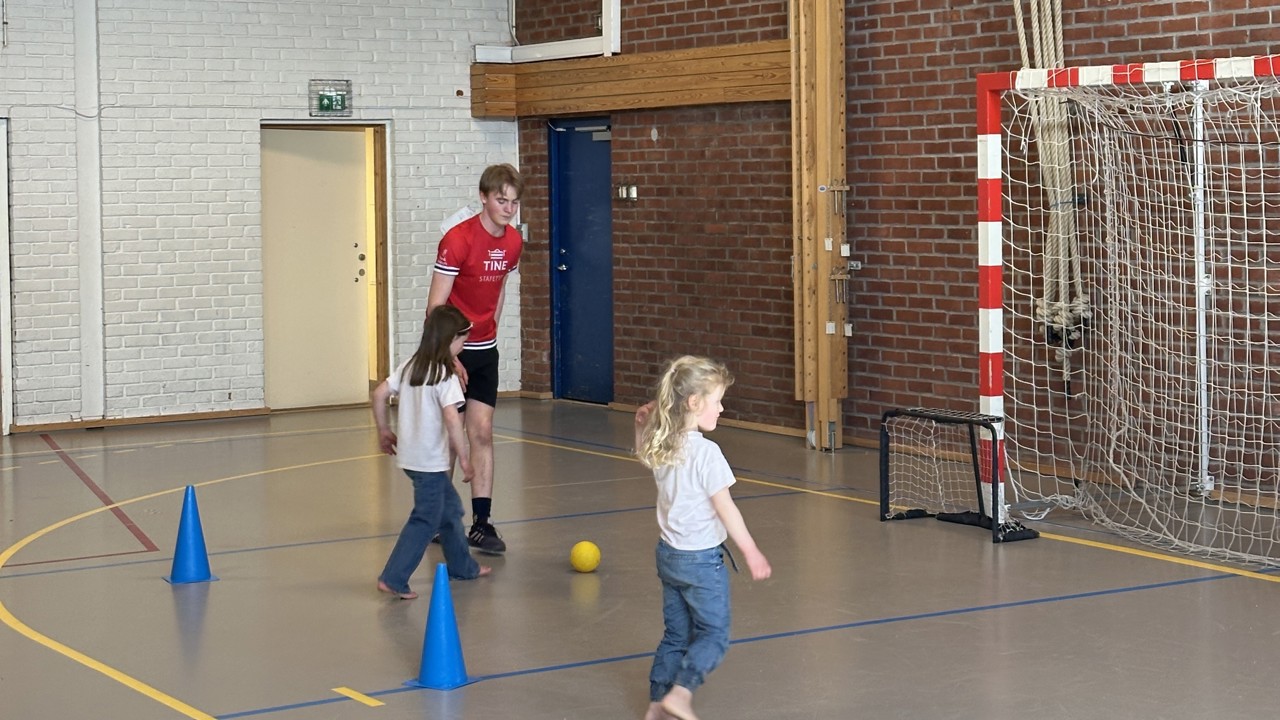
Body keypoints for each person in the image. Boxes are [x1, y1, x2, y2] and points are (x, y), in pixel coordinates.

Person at [633, 356, 772, 720]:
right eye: (717, 401)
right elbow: (726, 508)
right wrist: (750, 550)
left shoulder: (664, 444)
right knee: (714, 633)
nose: (722, 408)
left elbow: (644, 455)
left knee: (676, 636)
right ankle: (681, 694)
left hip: (669, 556)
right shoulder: (707, 454)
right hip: (700, 561)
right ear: (694, 402)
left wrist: (640, 427)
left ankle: (657, 704)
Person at [426, 163, 525, 555]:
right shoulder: (457, 240)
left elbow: (499, 289)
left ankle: (482, 523)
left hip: (485, 350)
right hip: (452, 351)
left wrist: (492, 328)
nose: (508, 209)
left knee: (481, 432)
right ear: (484, 198)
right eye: (501, 201)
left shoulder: (514, 242)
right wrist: (448, 356)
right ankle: (439, 519)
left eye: (514, 202)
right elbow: (436, 306)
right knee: (451, 438)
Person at [373, 306, 492, 600]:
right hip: (430, 463)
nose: (462, 348)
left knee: (450, 511)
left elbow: (379, 393)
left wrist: (384, 430)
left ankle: (463, 566)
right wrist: (464, 457)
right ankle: (393, 578)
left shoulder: (411, 366)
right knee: (426, 518)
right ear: (449, 340)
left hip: (411, 459)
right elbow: (452, 420)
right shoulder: (445, 376)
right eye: (461, 342)